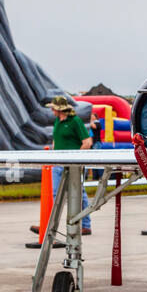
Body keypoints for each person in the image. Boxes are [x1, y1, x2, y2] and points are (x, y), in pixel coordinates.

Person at [49, 96, 93, 234]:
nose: (51, 110)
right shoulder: (57, 121)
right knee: (56, 194)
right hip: (58, 163)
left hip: (73, 164)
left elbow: (87, 142)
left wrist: (76, 159)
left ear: (59, 108)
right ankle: (52, 224)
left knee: (80, 193)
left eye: (53, 107)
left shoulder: (75, 121)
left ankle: (86, 224)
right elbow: (56, 141)